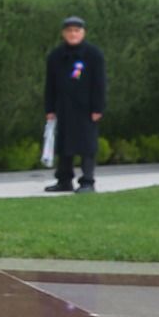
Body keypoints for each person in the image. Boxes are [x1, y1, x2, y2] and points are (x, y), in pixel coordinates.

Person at [45, 16, 106, 192]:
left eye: (77, 31)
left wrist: (98, 107)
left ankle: (87, 181)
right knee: (64, 145)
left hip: (86, 108)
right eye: (70, 31)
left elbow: (99, 83)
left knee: (87, 145)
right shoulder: (55, 56)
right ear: (64, 33)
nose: (73, 34)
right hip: (63, 107)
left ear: (83, 33)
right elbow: (50, 85)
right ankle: (64, 180)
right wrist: (49, 108)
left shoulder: (93, 55)